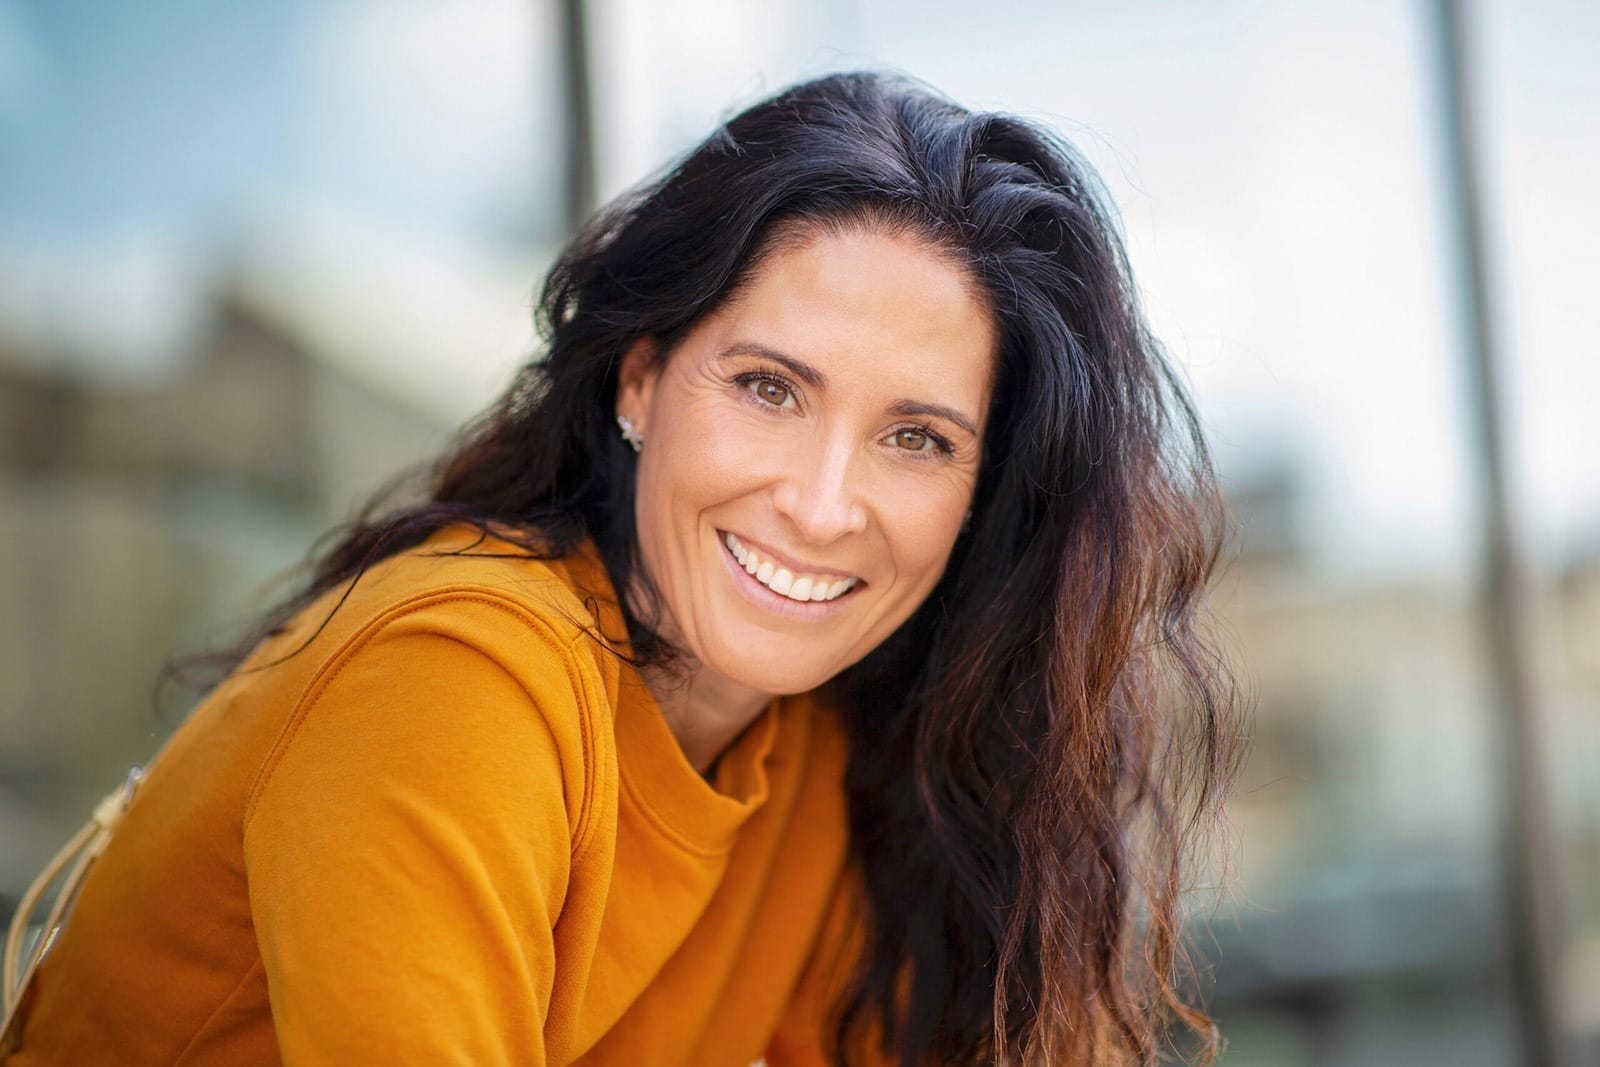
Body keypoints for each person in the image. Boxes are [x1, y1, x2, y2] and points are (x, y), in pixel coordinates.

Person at [3, 71, 1243, 1066]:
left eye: (915, 438)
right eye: (768, 389)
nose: (820, 505)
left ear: (982, 498)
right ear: (639, 378)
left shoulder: (817, 757)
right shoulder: (456, 679)